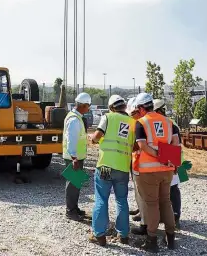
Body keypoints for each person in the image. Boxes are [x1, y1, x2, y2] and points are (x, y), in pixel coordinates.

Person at [135, 93, 180, 252]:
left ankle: (152, 241)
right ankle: (171, 238)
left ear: (141, 108)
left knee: (152, 204)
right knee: (166, 202)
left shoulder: (141, 123)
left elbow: (142, 145)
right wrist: (169, 160)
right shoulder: (169, 122)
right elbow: (175, 143)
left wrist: (159, 157)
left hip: (149, 171)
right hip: (167, 170)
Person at [89, 95, 136, 246]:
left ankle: (99, 235)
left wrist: (93, 139)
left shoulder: (107, 117)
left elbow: (97, 136)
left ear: (111, 107)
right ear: (123, 106)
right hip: (122, 167)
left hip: (105, 166)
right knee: (121, 200)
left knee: (102, 198)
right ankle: (123, 235)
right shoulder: (133, 122)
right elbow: (134, 146)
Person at [62, 92, 91, 221]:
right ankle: (70, 211)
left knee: (76, 183)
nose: (89, 108)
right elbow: (71, 139)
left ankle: (74, 208)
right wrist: (74, 158)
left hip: (77, 157)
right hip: (73, 157)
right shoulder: (74, 119)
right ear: (83, 105)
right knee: (72, 184)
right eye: (88, 106)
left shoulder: (77, 117)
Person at [153, 99, 182, 229]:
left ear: (160, 110)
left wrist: (174, 164)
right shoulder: (159, 122)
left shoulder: (171, 124)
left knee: (173, 189)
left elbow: (176, 145)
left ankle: (175, 216)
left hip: (172, 159)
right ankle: (165, 216)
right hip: (164, 160)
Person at [127, 98, 148, 236]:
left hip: (143, 164)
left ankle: (145, 225)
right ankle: (143, 214)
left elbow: (138, 144)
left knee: (145, 195)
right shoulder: (143, 121)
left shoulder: (142, 123)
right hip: (144, 163)